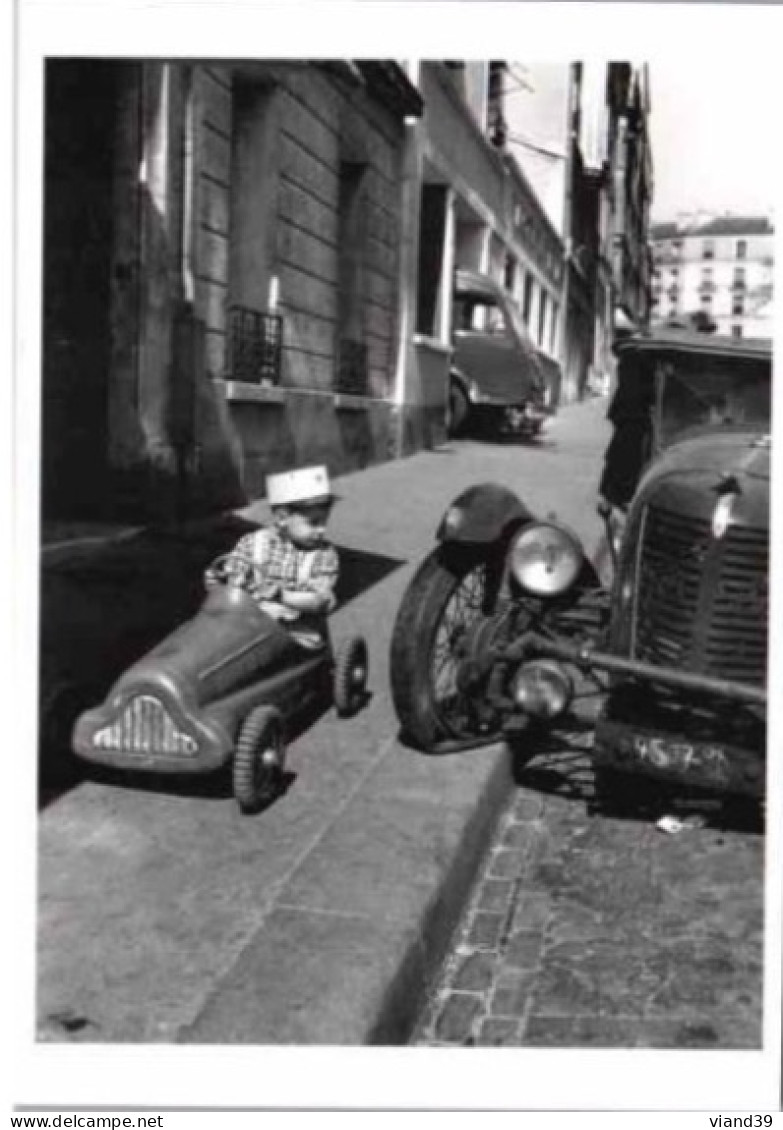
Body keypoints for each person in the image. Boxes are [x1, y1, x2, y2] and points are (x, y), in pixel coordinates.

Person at [205, 465, 339, 652]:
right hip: (248, 625)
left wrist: (281, 595)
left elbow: (320, 601)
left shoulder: (323, 555)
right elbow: (232, 580)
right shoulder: (252, 543)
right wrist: (218, 582)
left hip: (298, 634)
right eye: (314, 523)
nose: (322, 530)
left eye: (324, 522)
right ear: (282, 518)